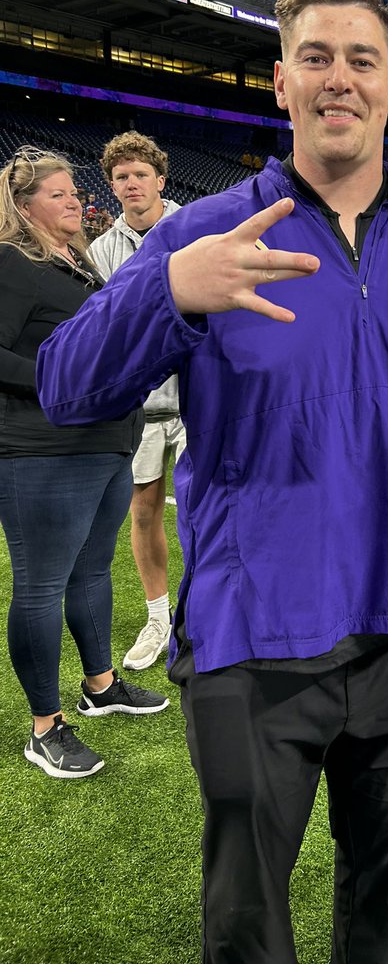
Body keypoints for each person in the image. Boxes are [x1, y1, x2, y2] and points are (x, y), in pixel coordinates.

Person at [37, 0, 388, 964]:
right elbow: (66, 386)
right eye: (316, 57)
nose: (340, 78)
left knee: (386, 919)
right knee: (245, 927)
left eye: (363, 59)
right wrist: (170, 289)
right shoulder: (201, 229)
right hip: (256, 638)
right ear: (281, 82)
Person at [0, 147, 168, 780]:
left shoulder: (77, 262)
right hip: (41, 451)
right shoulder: (11, 262)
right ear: (23, 206)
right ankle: (45, 729)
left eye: (75, 192)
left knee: (93, 572)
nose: (75, 200)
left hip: (103, 444)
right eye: (58, 194)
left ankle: (100, 685)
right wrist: (55, 381)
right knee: (42, 586)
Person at [92, 131, 185, 671]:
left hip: (198, 399)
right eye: (121, 177)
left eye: (140, 175)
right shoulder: (102, 251)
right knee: (144, 510)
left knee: (204, 509)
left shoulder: (192, 226)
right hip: (141, 407)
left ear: (161, 181)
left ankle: (202, 612)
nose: (131, 184)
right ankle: (158, 619)